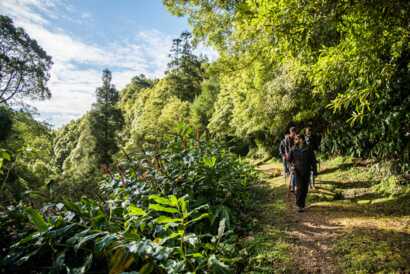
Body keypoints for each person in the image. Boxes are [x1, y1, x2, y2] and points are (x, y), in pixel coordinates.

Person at [288, 134, 317, 212]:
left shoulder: (309, 148)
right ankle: (299, 205)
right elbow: (289, 160)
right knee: (299, 187)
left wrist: (315, 171)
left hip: (307, 170)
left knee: (305, 189)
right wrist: (291, 167)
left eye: (298, 139)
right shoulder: (293, 149)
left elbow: (313, 161)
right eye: (295, 139)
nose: (296, 140)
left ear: (302, 140)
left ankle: (302, 204)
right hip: (297, 171)